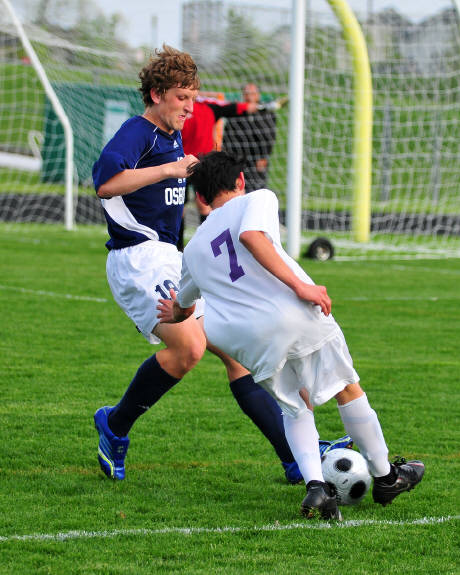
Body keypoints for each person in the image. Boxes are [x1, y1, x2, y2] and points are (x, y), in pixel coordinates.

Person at [91, 45, 349, 484]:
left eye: (193, 98)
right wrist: (169, 170)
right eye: (181, 98)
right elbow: (105, 183)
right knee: (189, 349)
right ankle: (114, 425)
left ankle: (295, 457)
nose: (189, 108)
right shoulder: (139, 132)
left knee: (239, 354)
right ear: (156, 94)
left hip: (169, 257)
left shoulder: (171, 136)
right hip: (138, 259)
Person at [157, 151, 425, 520]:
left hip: (243, 339)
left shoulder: (194, 248)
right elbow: (251, 235)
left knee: (294, 405)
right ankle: (386, 477)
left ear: (200, 198)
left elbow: (184, 307)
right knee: (346, 387)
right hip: (288, 314)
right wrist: (301, 286)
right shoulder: (258, 198)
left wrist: (172, 312)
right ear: (240, 181)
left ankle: (316, 486)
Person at [177, 94, 259, 251]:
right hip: (183, 164)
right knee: (182, 208)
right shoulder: (184, 107)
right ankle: (181, 249)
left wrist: (251, 107)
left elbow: (232, 107)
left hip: (202, 165)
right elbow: (233, 107)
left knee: (202, 207)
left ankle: (204, 247)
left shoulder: (205, 106)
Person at [222, 83, 277, 192]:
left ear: (258, 95)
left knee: (256, 188)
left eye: (252, 93)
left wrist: (264, 156)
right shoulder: (236, 113)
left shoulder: (266, 113)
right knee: (236, 188)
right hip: (237, 158)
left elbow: (270, 136)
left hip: (256, 159)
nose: (249, 96)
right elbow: (228, 135)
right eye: (246, 93)